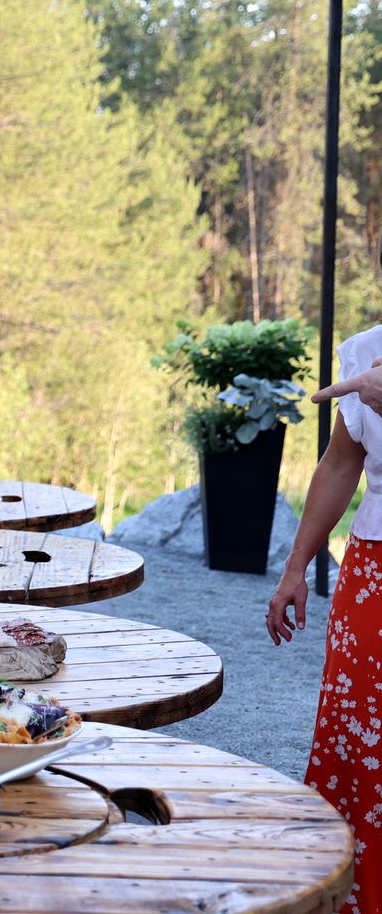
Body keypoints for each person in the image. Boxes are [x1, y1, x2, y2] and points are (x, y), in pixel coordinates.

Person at [269, 325, 382, 914]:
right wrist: (295, 566)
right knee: (361, 743)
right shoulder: (366, 353)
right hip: (374, 576)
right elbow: (341, 465)